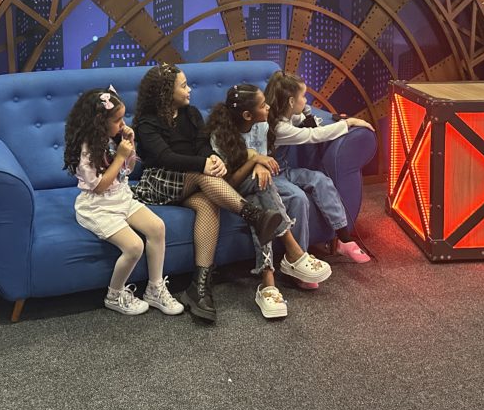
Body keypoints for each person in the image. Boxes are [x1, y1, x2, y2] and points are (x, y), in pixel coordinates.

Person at [131, 64, 285, 323]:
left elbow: (202, 146)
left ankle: (199, 287)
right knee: (204, 176)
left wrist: (213, 159)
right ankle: (255, 216)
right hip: (159, 181)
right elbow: (165, 157)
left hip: (191, 182)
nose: (189, 89)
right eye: (183, 86)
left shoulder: (191, 114)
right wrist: (204, 165)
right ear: (166, 92)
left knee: (208, 204)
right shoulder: (147, 122)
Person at [205, 85, 332, 319]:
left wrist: (259, 163)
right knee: (260, 188)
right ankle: (293, 252)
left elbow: (263, 162)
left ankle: (268, 281)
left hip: (255, 189)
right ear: (247, 115)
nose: (268, 107)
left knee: (261, 204)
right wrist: (254, 160)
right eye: (263, 105)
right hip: (229, 191)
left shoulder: (262, 125)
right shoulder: (219, 136)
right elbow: (228, 183)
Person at [63, 87, 184, 316]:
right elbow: (100, 186)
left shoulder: (112, 140)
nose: (122, 124)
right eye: (118, 120)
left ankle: (155, 288)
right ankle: (114, 295)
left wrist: (130, 145)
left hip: (121, 197)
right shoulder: (85, 151)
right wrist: (119, 156)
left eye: (123, 118)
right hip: (97, 207)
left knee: (157, 227)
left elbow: (127, 169)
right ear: (100, 123)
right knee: (134, 246)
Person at [264, 71, 375, 263]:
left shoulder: (287, 116)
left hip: (284, 170)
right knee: (298, 198)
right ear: (291, 101)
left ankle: (344, 239)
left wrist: (325, 117)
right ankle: (299, 257)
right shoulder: (279, 128)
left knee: (320, 180)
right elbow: (313, 135)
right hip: (272, 177)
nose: (306, 100)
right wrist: (349, 122)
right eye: (303, 96)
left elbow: (309, 120)